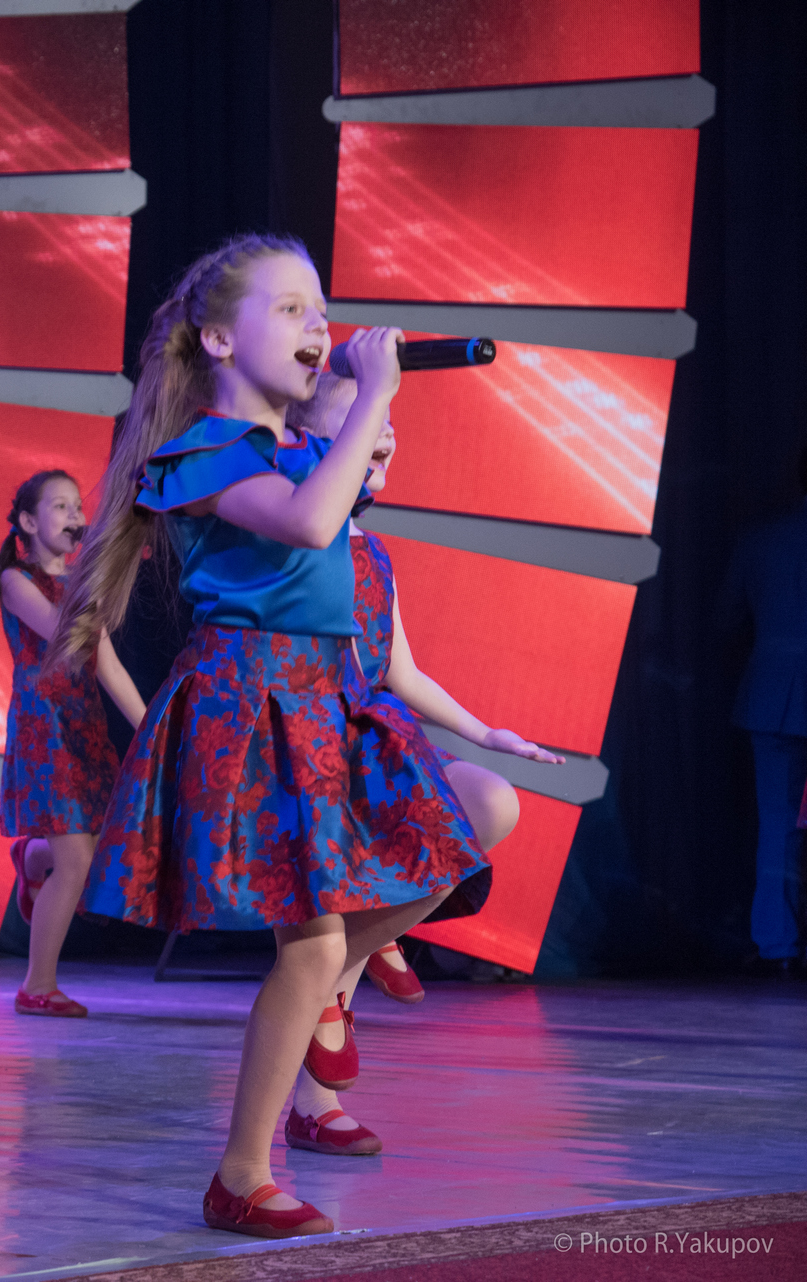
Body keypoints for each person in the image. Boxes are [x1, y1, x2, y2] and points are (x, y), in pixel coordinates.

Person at [48, 233, 491, 1239]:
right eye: (290, 308)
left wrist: (363, 422)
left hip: (321, 699)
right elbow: (306, 524)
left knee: (441, 850)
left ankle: (323, 1009)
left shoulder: (299, 451)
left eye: (321, 309)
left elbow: (340, 515)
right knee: (313, 936)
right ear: (216, 338)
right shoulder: (201, 452)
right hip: (247, 704)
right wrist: (371, 399)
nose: (318, 326)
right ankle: (243, 1172)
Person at [281, 367, 562, 1156]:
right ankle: (313, 1102)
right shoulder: (288, 533)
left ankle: (355, 964)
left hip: (376, 745)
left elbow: (401, 671)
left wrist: (486, 732)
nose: (384, 437)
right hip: (300, 753)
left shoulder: (373, 550)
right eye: (363, 423)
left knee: (489, 803)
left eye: (388, 427)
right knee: (318, 928)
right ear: (306, 440)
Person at [0, 470, 145, 1016]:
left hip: (83, 723)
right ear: (29, 522)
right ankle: (37, 985)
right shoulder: (18, 581)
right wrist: (98, 576)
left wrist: (149, 727)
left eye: (77, 506)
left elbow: (108, 665)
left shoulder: (83, 582)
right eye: (60, 506)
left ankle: (32, 855)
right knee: (77, 861)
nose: (74, 516)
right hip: (46, 729)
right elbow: (68, 633)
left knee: (96, 847)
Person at [721, 444, 807, 978]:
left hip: (772, 694)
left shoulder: (759, 539)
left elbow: (725, 620)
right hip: (774, 692)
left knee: (776, 825)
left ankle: (778, 946)